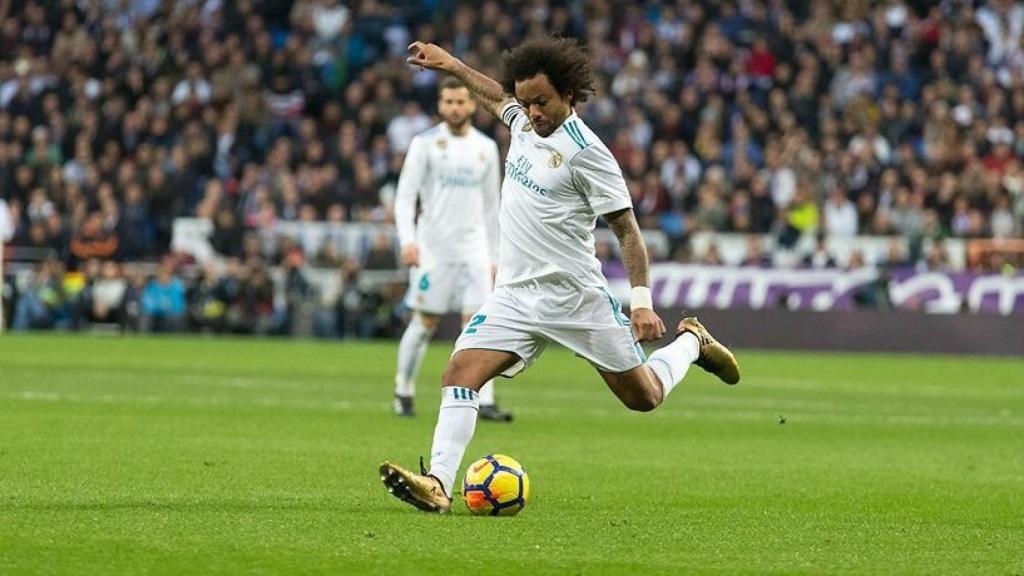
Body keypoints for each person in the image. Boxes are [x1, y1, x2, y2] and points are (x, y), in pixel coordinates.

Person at [380, 37, 741, 513]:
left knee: (645, 398)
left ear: (569, 94)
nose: (532, 112)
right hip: (513, 295)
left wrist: (641, 301)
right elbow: (494, 96)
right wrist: (451, 64)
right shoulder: (525, 125)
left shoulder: (589, 154)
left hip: (576, 300)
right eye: (526, 101)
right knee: (459, 373)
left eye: (541, 102)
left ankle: (692, 342)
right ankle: (438, 484)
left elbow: (627, 232)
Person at [392, 77, 511, 421]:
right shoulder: (425, 144)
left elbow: (492, 206)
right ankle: (403, 390)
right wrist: (408, 240)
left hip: (474, 249)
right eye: (448, 102)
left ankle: (484, 398)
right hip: (434, 249)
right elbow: (405, 195)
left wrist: (494, 256)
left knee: (478, 326)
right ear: (440, 105)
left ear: (472, 104)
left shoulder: (486, 147)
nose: (455, 108)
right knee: (425, 321)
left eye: (461, 101)